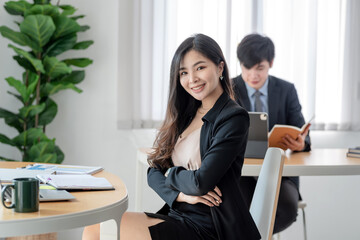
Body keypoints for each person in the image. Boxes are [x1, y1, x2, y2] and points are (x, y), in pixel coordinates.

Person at [82, 34, 261, 240]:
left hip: (210, 227)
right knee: (95, 229)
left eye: (200, 68)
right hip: (178, 214)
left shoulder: (233, 117)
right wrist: (179, 195)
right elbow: (153, 171)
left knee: (100, 232)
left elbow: (201, 182)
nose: (192, 78)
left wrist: (170, 174)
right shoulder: (186, 114)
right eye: (183, 72)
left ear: (220, 68)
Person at [232, 33, 311, 234]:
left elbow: (303, 132)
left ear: (271, 63)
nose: (252, 75)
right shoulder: (229, 90)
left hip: (280, 174)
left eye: (259, 68)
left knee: (285, 209)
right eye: (246, 68)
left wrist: (301, 143)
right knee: (235, 209)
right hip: (241, 173)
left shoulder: (286, 90)